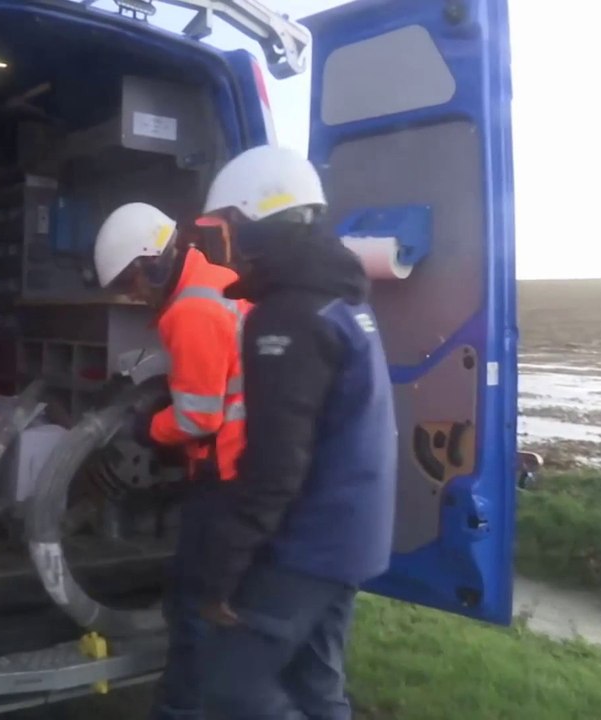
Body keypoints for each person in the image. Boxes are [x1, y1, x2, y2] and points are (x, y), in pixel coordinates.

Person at [196, 145, 398, 720]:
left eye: (229, 226)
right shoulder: (339, 299)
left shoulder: (286, 317)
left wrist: (222, 570)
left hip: (311, 541)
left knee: (230, 689)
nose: (225, 243)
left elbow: (277, 463)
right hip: (355, 536)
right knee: (316, 687)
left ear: (260, 220)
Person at [92, 202, 249, 720]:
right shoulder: (217, 281)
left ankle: (184, 708)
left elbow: (199, 419)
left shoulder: (191, 311)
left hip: (225, 477)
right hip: (249, 469)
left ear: (151, 263)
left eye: (132, 282)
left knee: (191, 606)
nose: (134, 295)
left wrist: (148, 427)